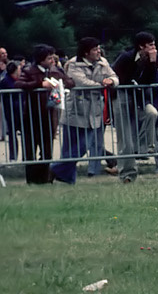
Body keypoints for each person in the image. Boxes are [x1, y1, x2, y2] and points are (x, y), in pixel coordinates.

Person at [58, 37, 118, 183]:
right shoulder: (73, 64)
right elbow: (82, 82)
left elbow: (114, 76)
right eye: (95, 49)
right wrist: (102, 85)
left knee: (89, 143)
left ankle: (58, 171)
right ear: (86, 52)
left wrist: (111, 81)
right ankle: (64, 174)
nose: (98, 52)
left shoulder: (103, 62)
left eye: (98, 48)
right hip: (76, 110)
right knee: (71, 146)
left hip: (95, 111)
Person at [111, 31, 158, 179]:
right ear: (141, 46)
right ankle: (128, 173)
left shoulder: (152, 59)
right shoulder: (126, 57)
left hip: (140, 98)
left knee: (152, 113)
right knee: (125, 138)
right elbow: (116, 76)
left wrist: (151, 62)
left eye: (154, 44)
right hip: (123, 96)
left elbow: (149, 80)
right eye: (150, 45)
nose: (153, 48)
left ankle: (145, 146)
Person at [14, 44, 67, 184]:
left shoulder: (55, 71)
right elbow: (19, 84)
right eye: (49, 58)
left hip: (49, 116)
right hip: (31, 116)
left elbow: (69, 81)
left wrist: (61, 85)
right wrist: (39, 84)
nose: (52, 61)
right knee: (30, 150)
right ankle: (32, 179)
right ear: (40, 59)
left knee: (47, 150)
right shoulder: (29, 71)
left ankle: (44, 178)